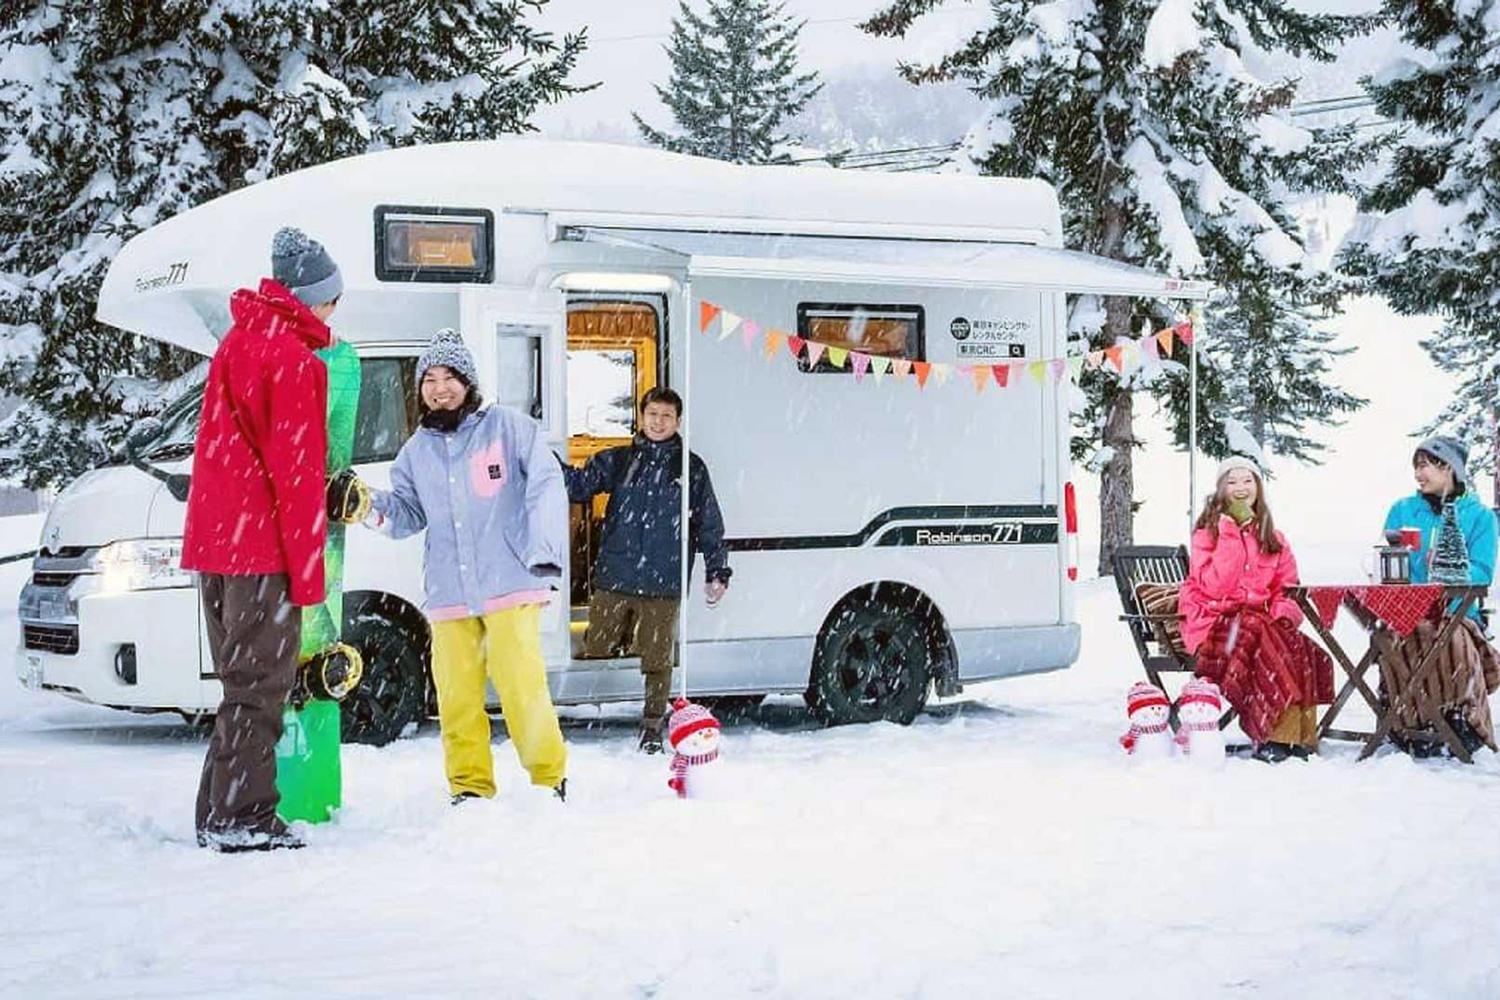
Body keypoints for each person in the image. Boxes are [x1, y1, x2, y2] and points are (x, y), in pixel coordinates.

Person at [182, 226, 342, 851]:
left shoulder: (237, 343)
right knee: (260, 688)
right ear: (309, 298)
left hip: (217, 547)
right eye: (331, 297)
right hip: (259, 552)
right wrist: (309, 581)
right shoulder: (294, 360)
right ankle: (242, 818)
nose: (334, 309)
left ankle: (217, 810)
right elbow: (297, 476)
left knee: (238, 684)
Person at [365, 329, 570, 803]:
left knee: (521, 687)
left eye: (450, 376)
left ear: (468, 381)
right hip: (449, 593)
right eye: (429, 379)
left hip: (510, 582)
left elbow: (545, 484)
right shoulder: (416, 452)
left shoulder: (509, 428)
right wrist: (368, 507)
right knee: (455, 697)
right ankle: (470, 787)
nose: (440, 388)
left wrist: (542, 550)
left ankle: (548, 777)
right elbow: (406, 514)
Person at [563, 387, 731, 753]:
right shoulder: (620, 460)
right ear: (641, 418)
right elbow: (577, 486)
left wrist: (717, 570)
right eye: (652, 414)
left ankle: (653, 725)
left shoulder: (690, 467)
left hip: (664, 578)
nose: (658, 422)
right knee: (598, 644)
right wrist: (539, 461)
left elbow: (709, 522)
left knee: (657, 660)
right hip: (616, 574)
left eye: (666, 416)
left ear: (678, 421)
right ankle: (618, 660)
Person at [1178, 456, 1333, 763]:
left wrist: (1283, 611)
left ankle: (1297, 737)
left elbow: (1287, 586)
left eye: (1247, 480)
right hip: (1213, 622)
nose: (1240, 488)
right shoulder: (1206, 533)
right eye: (1231, 481)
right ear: (1221, 489)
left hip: (1254, 622)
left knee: (1299, 646)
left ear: (1258, 488)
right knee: (1262, 636)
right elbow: (1214, 587)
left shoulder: (1274, 537)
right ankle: (1273, 736)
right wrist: (1231, 535)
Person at [1379, 435, 1500, 755]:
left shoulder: (1480, 516)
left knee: (1452, 639)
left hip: (1458, 612)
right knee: (1393, 638)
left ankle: (1460, 721)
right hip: (1408, 612)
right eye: (1416, 466)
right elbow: (1388, 563)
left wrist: (1451, 569)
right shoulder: (1403, 510)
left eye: (1426, 465)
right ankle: (1405, 721)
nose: (1418, 474)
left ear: (1450, 468)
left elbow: (1483, 572)